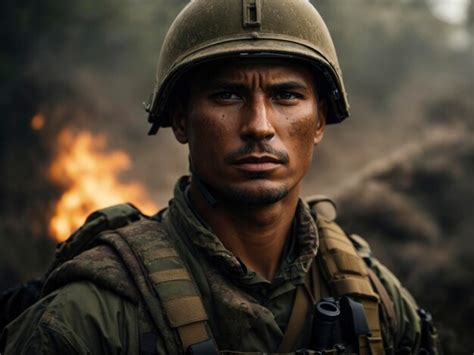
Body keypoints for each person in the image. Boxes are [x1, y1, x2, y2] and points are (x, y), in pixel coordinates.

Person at [0, 1, 440, 354]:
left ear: (319, 121)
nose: (259, 125)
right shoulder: (95, 316)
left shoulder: (373, 298)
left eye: (286, 95)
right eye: (226, 94)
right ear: (181, 121)